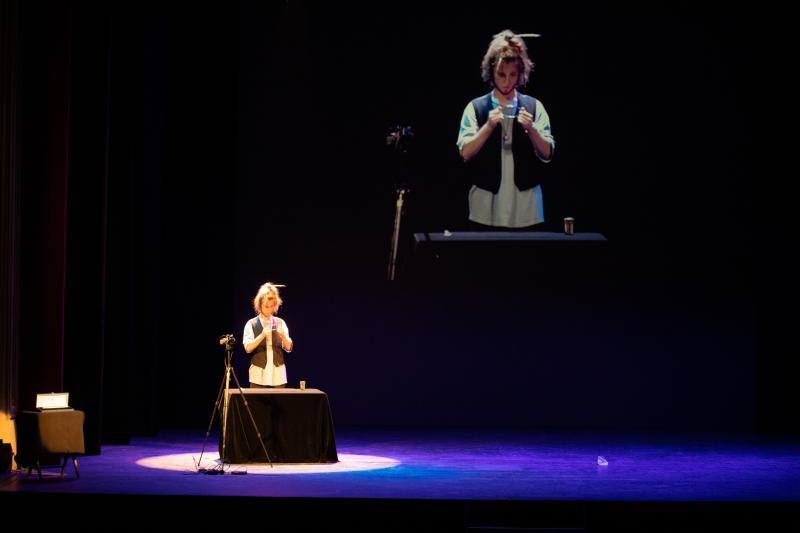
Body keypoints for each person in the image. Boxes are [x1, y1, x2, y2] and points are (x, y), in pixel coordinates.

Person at [457, 29, 555, 228]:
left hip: (526, 205)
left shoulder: (534, 107)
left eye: (513, 75)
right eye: (501, 74)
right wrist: (488, 126)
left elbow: (548, 154)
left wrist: (532, 129)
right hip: (486, 204)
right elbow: (465, 153)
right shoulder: (476, 107)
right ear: (492, 72)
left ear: (520, 74)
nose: (507, 81)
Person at [242, 282, 294, 388]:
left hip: (278, 376)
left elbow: (289, 348)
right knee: (257, 404)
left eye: (272, 306)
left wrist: (283, 336)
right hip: (258, 375)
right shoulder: (251, 324)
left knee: (279, 404)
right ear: (260, 304)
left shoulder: (280, 322)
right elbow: (248, 348)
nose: (269, 310)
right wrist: (262, 335)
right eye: (266, 306)